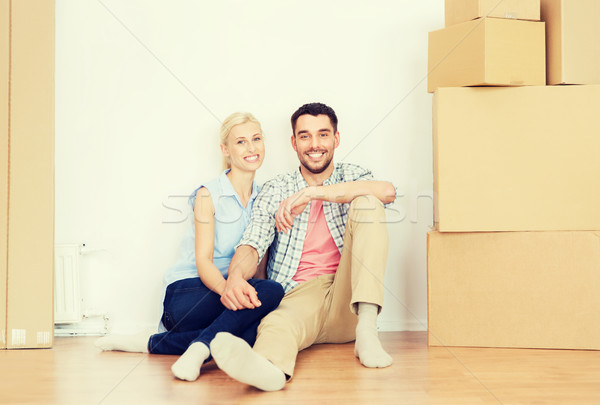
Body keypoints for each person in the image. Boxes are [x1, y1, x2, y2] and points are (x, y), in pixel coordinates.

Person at [208, 102, 396, 391]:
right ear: (294, 143)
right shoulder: (276, 188)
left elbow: (386, 192)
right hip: (298, 294)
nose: (315, 144)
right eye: (305, 136)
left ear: (336, 138)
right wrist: (234, 277)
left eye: (323, 134)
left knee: (368, 202)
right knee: (277, 325)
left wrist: (312, 193)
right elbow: (252, 242)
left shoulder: (353, 174)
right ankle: (270, 372)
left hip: (349, 297)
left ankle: (368, 333)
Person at [95, 112, 285, 382]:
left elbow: (259, 264)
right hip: (189, 295)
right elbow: (204, 262)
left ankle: (158, 344)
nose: (251, 147)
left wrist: (260, 301)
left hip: (231, 297)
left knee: (266, 313)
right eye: (241, 142)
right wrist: (229, 291)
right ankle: (197, 346)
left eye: (256, 139)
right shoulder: (208, 194)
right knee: (266, 298)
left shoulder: (266, 197)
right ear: (225, 150)